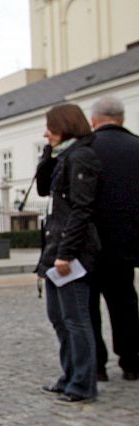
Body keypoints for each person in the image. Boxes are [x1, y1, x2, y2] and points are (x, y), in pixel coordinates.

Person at [35, 103, 101, 403]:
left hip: (70, 253)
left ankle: (82, 382)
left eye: (51, 126)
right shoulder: (65, 156)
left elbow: (81, 210)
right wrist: (47, 154)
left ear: (66, 126)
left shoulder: (82, 156)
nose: (46, 132)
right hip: (55, 249)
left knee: (75, 319)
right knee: (59, 318)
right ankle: (68, 375)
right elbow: (42, 189)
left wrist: (66, 253)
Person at [87, 96, 139, 381]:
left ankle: (97, 365)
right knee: (125, 302)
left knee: (90, 306)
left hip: (92, 244)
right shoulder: (137, 147)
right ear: (122, 118)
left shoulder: (87, 149)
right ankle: (132, 361)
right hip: (127, 244)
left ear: (94, 120)